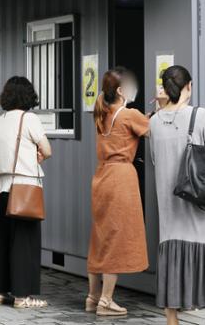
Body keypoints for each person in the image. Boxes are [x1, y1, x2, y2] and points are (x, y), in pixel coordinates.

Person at [149, 66, 205, 325]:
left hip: (168, 209)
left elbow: (155, 160)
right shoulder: (200, 116)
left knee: (171, 258)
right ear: (188, 86)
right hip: (198, 204)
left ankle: (172, 319)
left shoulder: (154, 121)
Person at [87, 67, 149, 316]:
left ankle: (92, 297)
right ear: (122, 91)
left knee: (101, 237)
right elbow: (152, 129)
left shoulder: (101, 113)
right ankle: (106, 301)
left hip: (101, 177)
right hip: (121, 178)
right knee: (116, 237)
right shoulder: (129, 114)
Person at [0, 76, 52, 309]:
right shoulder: (29, 118)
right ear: (28, 96)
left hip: (0, 188)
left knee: (2, 240)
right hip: (24, 188)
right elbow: (47, 149)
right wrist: (38, 154)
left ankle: (0, 293)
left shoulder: (0, 120)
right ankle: (23, 297)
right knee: (25, 242)